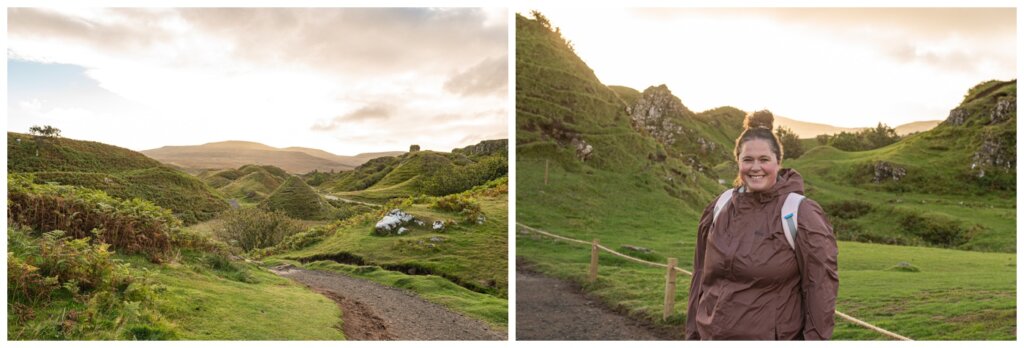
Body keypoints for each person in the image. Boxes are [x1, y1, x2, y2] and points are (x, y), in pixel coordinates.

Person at [684, 110, 838, 340]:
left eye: (764, 160)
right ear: (738, 161)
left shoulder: (800, 214)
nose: (756, 167)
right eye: (748, 160)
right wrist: (692, 335)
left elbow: (820, 290)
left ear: (778, 161)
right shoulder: (719, 207)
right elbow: (700, 277)